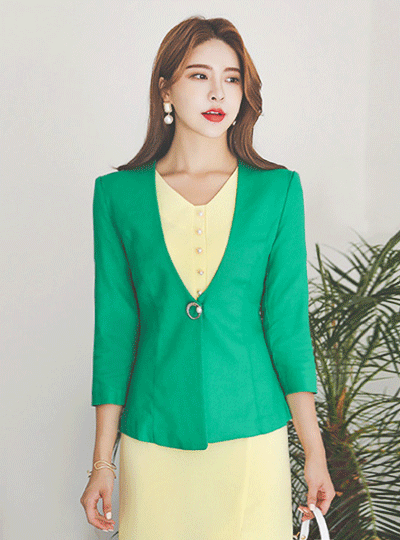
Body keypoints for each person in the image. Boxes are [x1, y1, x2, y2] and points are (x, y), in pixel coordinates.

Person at [80, 15, 335, 539]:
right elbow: (115, 333)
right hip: (154, 436)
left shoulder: (278, 191)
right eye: (199, 75)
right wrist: (102, 462)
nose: (218, 92)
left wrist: (314, 451)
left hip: (252, 439)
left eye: (232, 78)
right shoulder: (117, 196)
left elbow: (288, 328)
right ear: (165, 89)